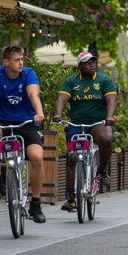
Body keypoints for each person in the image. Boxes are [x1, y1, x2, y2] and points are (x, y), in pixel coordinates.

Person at [0, 45, 46, 223]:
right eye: (17, 60)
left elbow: (33, 95)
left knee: (37, 157)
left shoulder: (28, 74)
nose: (21, 62)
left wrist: (39, 112)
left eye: (22, 59)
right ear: (6, 61)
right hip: (4, 122)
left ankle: (36, 203)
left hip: (27, 123)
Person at [53, 50, 117, 212]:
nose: (92, 65)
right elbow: (62, 98)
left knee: (107, 138)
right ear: (80, 66)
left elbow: (111, 100)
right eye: (88, 63)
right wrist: (58, 113)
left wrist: (109, 116)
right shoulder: (71, 81)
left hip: (98, 123)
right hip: (76, 124)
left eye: (93, 62)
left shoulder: (104, 80)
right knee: (73, 157)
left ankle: (102, 171)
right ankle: (71, 198)